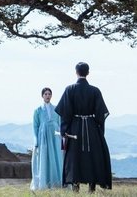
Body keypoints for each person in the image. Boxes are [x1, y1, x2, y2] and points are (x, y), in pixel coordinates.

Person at [55, 62, 111, 192]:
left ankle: (75, 187)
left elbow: (65, 113)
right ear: (88, 72)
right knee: (93, 156)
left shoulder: (69, 89)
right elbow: (100, 114)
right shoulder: (95, 90)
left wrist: (64, 130)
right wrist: (99, 131)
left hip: (75, 127)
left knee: (75, 157)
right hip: (92, 128)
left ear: (76, 72)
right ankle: (92, 188)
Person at [30, 87, 64, 190]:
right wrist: (36, 140)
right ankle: (44, 183)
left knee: (56, 157)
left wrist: (61, 138)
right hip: (43, 137)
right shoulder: (38, 110)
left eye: (49, 94)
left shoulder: (57, 109)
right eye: (45, 94)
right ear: (42, 96)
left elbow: (60, 123)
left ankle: (56, 183)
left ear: (51, 96)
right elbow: (35, 126)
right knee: (44, 158)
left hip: (55, 137)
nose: (47, 96)